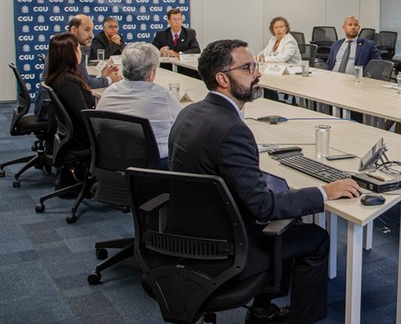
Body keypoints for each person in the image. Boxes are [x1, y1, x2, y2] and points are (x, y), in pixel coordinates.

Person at [168, 39, 361, 323]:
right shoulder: (233, 128)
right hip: (225, 247)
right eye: (247, 68)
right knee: (315, 237)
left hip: (187, 231)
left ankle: (262, 310)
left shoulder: (188, 112)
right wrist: (324, 191)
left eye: (254, 65)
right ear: (222, 78)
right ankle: (301, 319)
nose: (257, 73)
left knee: (288, 216)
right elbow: (262, 208)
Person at [96, 42, 181, 169]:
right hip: (155, 168)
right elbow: (183, 127)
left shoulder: (109, 92)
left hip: (112, 164)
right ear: (151, 72)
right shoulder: (163, 96)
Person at [44, 33, 95, 151]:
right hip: (81, 138)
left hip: (73, 132)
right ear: (71, 54)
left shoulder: (58, 76)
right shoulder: (67, 81)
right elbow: (84, 115)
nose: (81, 51)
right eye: (78, 48)